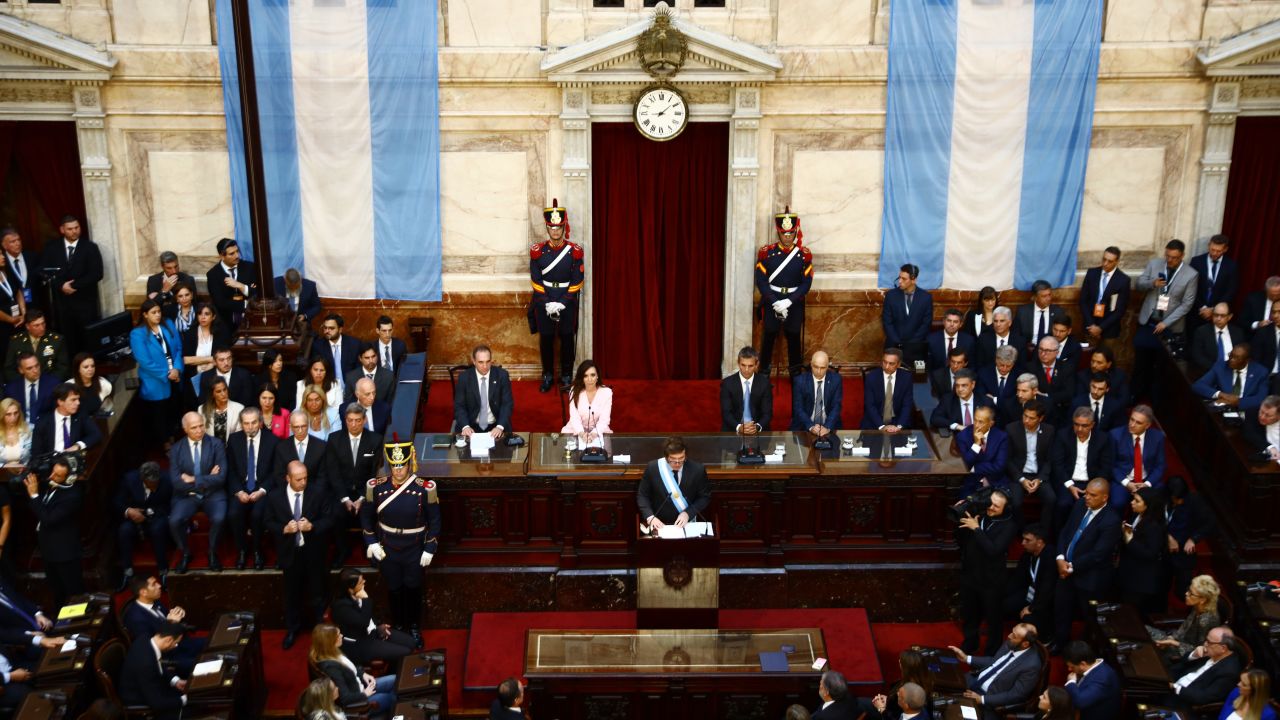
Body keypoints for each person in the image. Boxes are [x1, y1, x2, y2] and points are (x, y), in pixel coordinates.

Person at [361, 438, 441, 644]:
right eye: (394, 466)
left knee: (413, 589)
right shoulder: (376, 487)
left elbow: (435, 520)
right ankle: (397, 626)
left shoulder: (425, 488)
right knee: (394, 589)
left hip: (414, 548)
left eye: (402, 465)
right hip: (388, 547)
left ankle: (414, 627)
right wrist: (371, 541)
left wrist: (430, 547)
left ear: (409, 464)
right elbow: (366, 518)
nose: (398, 470)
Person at [268, 460, 333, 649]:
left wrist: (312, 526)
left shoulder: (318, 492)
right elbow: (267, 521)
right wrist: (283, 528)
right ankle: (292, 629)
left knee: (318, 593)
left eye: (305, 478)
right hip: (289, 553)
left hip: (313, 553)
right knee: (291, 594)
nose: (303, 482)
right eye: (298, 479)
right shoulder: (275, 497)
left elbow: (329, 519)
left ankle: (321, 632)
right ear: (288, 478)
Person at [1053, 478, 1121, 650]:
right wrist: (1060, 557)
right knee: (1062, 610)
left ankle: (1084, 651)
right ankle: (1060, 644)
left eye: (1093, 495)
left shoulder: (1111, 520)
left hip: (1090, 578)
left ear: (1104, 498)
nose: (1087, 497)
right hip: (1065, 570)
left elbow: (1099, 554)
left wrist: (1071, 567)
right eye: (1087, 493)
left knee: (1089, 617)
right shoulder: (1080, 506)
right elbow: (1065, 531)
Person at [529, 199, 585, 391]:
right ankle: (547, 375)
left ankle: (567, 375)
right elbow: (536, 280)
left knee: (567, 339)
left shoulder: (574, 252)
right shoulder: (538, 251)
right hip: (544, 300)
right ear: (547, 227)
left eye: (558, 227)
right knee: (546, 339)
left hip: (566, 301)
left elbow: (577, 280)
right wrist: (546, 302)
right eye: (552, 227)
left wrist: (561, 303)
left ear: (564, 227)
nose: (555, 231)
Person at [1134, 239, 1199, 399]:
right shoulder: (1154, 264)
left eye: (1174, 257)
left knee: (1161, 367)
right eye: (1168, 256)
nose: (1170, 260)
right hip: (1148, 322)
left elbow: (1187, 304)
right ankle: (1136, 395)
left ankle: (1156, 400)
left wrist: (1166, 323)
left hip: (1170, 327)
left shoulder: (1191, 274)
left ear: (1182, 256)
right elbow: (1139, 284)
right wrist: (1152, 283)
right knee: (1141, 363)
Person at [957, 488, 1016, 655]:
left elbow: (993, 550)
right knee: (969, 614)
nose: (991, 508)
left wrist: (976, 529)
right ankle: (970, 643)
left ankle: (991, 654)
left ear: (1006, 508)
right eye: (990, 503)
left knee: (993, 620)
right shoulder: (980, 514)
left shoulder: (1009, 525)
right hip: (970, 575)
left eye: (996, 506)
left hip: (992, 581)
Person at [167, 412, 228, 573]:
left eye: (201, 425)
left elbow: (221, 478)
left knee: (220, 517)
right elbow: (176, 482)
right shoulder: (176, 449)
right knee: (174, 520)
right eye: (194, 427)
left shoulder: (216, 444)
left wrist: (193, 479)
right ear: (185, 429)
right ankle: (185, 553)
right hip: (187, 496)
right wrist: (207, 479)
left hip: (214, 494)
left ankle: (212, 552)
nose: (199, 430)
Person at [757, 207, 813, 377]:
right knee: (769, 336)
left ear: (795, 232)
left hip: (794, 301)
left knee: (794, 336)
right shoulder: (767, 253)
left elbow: (806, 282)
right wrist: (775, 302)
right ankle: (764, 372)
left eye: (790, 234)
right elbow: (761, 280)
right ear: (778, 233)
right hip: (772, 299)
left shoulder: (804, 255)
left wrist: (789, 301)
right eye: (784, 234)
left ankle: (795, 372)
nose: (787, 237)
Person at [326, 403, 383, 568]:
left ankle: (370, 548)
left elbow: (375, 473)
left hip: (365, 491)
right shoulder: (334, 439)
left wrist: (362, 497)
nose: (354, 424)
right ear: (345, 420)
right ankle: (343, 550)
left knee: (369, 510)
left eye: (358, 420)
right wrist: (344, 498)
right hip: (341, 491)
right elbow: (333, 472)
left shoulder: (375, 440)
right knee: (336, 514)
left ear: (364, 420)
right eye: (350, 420)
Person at [946, 623, 1043, 720]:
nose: (1009, 636)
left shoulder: (1032, 665)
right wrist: (966, 658)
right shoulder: (1012, 642)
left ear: (1025, 644)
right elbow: (994, 661)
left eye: (1014, 635)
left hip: (990, 700)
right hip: (974, 680)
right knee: (942, 691)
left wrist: (982, 699)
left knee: (956, 715)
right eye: (1012, 632)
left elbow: (1017, 695)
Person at [23, 457, 83, 608]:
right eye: (52, 472)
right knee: (57, 593)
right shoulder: (51, 484)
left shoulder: (73, 496)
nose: (51, 477)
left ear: (69, 478)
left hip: (65, 554)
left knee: (73, 594)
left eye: (57, 475)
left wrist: (34, 496)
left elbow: (48, 519)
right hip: (49, 551)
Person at [40, 215, 103, 354]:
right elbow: (43, 271)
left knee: (87, 342)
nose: (74, 231)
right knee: (67, 343)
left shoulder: (90, 247)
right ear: (62, 230)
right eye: (70, 229)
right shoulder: (52, 248)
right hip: (63, 307)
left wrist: (74, 286)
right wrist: (61, 285)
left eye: (77, 228)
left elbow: (97, 273)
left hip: (85, 305)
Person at [227, 407, 278, 571]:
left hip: (262, 487)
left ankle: (257, 551)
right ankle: (242, 550)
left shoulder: (272, 440)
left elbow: (275, 472)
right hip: (241, 487)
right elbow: (230, 470)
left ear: (260, 422)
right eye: (246, 423)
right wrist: (238, 491)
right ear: (241, 424)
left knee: (257, 514)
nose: (250, 427)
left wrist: (262, 490)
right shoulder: (234, 440)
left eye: (254, 422)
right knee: (234, 513)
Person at [120, 575, 204, 672]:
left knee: (213, 643)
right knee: (207, 663)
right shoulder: (136, 619)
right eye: (154, 584)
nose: (159, 586)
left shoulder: (155, 602)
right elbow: (152, 647)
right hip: (171, 658)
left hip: (182, 643)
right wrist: (171, 622)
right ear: (143, 592)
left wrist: (177, 615)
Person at [332, 568, 415, 667]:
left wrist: (378, 626)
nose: (364, 582)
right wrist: (366, 599)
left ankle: (393, 668)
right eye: (360, 582)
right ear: (350, 588)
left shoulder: (357, 593)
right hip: (360, 643)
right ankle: (395, 675)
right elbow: (363, 622)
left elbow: (370, 617)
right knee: (405, 652)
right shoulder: (341, 607)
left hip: (372, 632)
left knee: (411, 642)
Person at [308, 624, 397, 714]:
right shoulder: (330, 668)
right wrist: (364, 694)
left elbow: (349, 667)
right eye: (338, 635)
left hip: (361, 685)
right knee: (394, 697)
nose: (342, 635)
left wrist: (362, 674)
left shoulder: (333, 651)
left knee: (397, 680)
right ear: (330, 642)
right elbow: (345, 698)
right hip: (359, 701)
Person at [1051, 409, 1116, 529]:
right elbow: (1057, 464)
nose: (1079, 429)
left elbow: (1106, 466)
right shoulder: (1063, 435)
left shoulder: (1103, 438)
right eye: (1076, 424)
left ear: (1092, 424)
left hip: (1092, 482)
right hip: (1068, 481)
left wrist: (1092, 486)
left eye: (1084, 425)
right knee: (1063, 505)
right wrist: (1070, 485)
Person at [115, 462, 172, 590]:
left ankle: (163, 571)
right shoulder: (129, 480)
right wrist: (129, 511)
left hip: (157, 516)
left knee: (158, 529)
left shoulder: (168, 479)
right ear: (142, 480)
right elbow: (117, 502)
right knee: (125, 530)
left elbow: (171, 504)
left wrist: (148, 513)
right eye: (150, 485)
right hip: (134, 518)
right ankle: (127, 572)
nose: (153, 488)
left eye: (155, 484)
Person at [119, 622, 190, 720]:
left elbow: (158, 665)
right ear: (169, 639)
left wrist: (175, 681)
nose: (175, 646)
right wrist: (185, 700)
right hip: (141, 702)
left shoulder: (145, 638)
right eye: (176, 643)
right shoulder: (146, 664)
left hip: (152, 688)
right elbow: (157, 703)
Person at [1161, 629, 1246, 712]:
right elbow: (1184, 662)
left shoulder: (1229, 672)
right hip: (1172, 679)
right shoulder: (1212, 652)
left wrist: (1175, 687)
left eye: (1209, 642)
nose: (1204, 644)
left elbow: (1204, 697)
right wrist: (1194, 654)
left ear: (1223, 648)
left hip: (1183, 700)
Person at [637, 436, 710, 530]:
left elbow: (704, 497)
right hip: (659, 524)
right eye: (673, 459)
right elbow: (642, 495)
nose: (677, 463)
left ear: (685, 455)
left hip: (687, 523)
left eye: (681, 458)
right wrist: (650, 517)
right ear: (666, 457)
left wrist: (688, 513)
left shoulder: (697, 470)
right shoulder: (653, 468)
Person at [1004, 399, 1057, 527]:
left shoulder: (1049, 431)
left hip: (1039, 475)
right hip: (1018, 474)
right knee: (1015, 503)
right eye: (1025, 416)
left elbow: (1050, 459)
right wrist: (1021, 479)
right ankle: (1024, 532)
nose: (1026, 421)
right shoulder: (1011, 429)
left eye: (1031, 418)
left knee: (1051, 499)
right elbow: (1008, 459)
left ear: (1041, 418)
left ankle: (1042, 533)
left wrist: (1040, 479)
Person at [1148, 574, 1222, 664]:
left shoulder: (1206, 621)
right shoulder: (1198, 606)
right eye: (1188, 590)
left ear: (1203, 599)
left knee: (1149, 650)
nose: (1186, 594)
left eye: (1191, 593)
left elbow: (1200, 650)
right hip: (1177, 641)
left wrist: (1173, 643)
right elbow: (1184, 627)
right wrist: (1171, 638)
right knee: (1144, 630)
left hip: (1183, 653)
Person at [1164, 477, 1218, 599]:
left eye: (1181, 499)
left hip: (1184, 547)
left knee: (1183, 588)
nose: (1179, 502)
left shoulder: (1195, 500)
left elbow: (1210, 523)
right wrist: (1168, 537)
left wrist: (1193, 539)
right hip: (1163, 545)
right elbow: (1155, 519)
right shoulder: (1162, 498)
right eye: (1176, 499)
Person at [1117, 486, 1168, 617]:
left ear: (1148, 505)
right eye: (1134, 499)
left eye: (1137, 501)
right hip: (1129, 573)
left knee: (1131, 615)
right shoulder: (1137, 515)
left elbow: (1150, 553)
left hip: (1140, 581)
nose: (1132, 502)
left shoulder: (1154, 527)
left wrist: (1130, 541)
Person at [1108, 405, 1166, 512]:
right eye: (1131, 419)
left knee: (1157, 502)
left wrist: (1147, 484)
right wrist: (1127, 483)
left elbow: (1160, 465)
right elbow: (1111, 464)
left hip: (1146, 479)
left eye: (1138, 423)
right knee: (1117, 503)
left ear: (1147, 425)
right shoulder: (1115, 435)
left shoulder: (1158, 437)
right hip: (1124, 479)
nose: (1132, 424)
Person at [1006, 523, 1056, 642]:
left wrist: (1032, 608)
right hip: (1030, 593)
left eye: (1027, 540)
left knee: (1029, 616)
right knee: (1006, 603)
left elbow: (1047, 590)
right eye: (1023, 539)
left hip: (1047, 601)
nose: (1023, 543)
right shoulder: (1027, 555)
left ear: (1039, 542)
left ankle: (1044, 639)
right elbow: (1018, 578)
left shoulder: (1050, 557)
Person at [453, 345, 514, 438]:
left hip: (496, 425)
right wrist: (465, 426)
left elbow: (507, 403)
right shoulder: (464, 378)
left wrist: (500, 426)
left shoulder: (502, 375)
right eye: (481, 362)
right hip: (471, 426)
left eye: (488, 361)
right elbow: (459, 405)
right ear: (474, 361)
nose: (485, 366)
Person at [882, 264, 933, 368]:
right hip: (894, 347)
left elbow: (926, 323)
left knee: (919, 376)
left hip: (918, 348)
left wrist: (911, 344)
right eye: (899, 277)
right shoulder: (891, 296)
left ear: (913, 280)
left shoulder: (926, 298)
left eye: (904, 279)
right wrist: (898, 343)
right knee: (893, 376)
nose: (900, 281)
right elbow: (887, 321)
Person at [1192, 344, 1270, 412]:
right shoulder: (1221, 366)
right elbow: (1198, 385)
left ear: (1247, 360)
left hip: (1248, 412)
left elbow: (1261, 398)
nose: (1231, 360)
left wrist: (1238, 402)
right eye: (1231, 355)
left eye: (1236, 358)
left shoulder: (1261, 372)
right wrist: (1221, 394)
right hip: (1222, 411)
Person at [31, 384, 102, 457]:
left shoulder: (80, 415)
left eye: (78, 399)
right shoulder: (43, 422)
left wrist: (77, 446)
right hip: (52, 463)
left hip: (74, 460)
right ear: (60, 402)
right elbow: (36, 454)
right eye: (73, 400)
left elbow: (96, 434)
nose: (78, 403)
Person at [1190, 234, 1239, 333]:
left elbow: (1230, 291)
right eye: (1212, 249)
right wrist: (1202, 308)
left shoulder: (1231, 266)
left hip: (1218, 316)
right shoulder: (1196, 261)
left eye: (1218, 251)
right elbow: (1191, 288)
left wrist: (1214, 309)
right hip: (1196, 313)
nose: (1214, 253)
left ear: (1225, 249)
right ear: (1209, 246)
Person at [1023, 336, 1075, 428]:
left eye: (1047, 351)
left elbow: (1069, 393)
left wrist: (1046, 396)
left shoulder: (1067, 368)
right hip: (1038, 413)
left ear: (1057, 352)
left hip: (1061, 413)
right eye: (1041, 349)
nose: (1043, 353)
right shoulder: (1030, 368)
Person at [1062, 641, 1122, 720]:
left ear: (1083, 664)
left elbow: (1080, 702)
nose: (1069, 669)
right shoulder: (1094, 665)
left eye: (1072, 667)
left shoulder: (1102, 679)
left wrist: (1071, 682)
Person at [957, 406, 1008, 496]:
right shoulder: (963, 436)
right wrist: (976, 445)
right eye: (975, 420)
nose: (976, 425)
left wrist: (974, 468)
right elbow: (965, 465)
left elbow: (999, 466)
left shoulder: (1001, 437)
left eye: (981, 422)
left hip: (995, 481)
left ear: (991, 423)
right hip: (972, 483)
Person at [720, 346, 772, 433]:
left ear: (757, 364)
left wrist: (757, 427)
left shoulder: (764, 384)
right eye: (743, 365)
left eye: (750, 366)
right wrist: (739, 427)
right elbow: (726, 413)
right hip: (733, 430)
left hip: (757, 431)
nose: (746, 370)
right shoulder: (727, 383)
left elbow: (767, 413)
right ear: (738, 363)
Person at [206, 237, 256, 327]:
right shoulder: (213, 275)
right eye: (232, 254)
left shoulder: (250, 268)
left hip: (251, 319)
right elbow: (220, 302)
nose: (237, 256)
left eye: (237, 251)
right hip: (225, 322)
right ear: (222, 256)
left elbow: (257, 293)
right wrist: (246, 303)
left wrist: (241, 286)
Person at [870, 651, 934, 720]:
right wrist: (888, 700)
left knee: (860, 704)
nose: (899, 661)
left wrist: (881, 709)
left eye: (900, 695)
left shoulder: (909, 693)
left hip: (887, 714)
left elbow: (894, 716)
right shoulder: (926, 683)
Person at [792, 350, 843, 436]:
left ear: (827, 367)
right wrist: (811, 426)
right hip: (805, 426)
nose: (818, 371)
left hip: (829, 425)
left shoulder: (836, 380)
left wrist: (827, 426)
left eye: (822, 368)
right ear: (811, 364)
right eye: (815, 367)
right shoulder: (800, 381)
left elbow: (836, 406)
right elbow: (798, 408)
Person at [931, 368, 993, 438]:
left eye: (964, 385)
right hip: (959, 439)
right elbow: (935, 418)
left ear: (973, 384)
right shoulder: (948, 400)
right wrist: (956, 426)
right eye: (957, 385)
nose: (960, 389)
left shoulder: (986, 401)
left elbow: (994, 424)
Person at [863, 348, 914, 432]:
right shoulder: (871, 377)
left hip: (897, 421)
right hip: (875, 422)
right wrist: (881, 426)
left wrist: (899, 426)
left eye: (891, 364)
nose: (886, 366)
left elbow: (907, 405)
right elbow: (870, 405)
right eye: (884, 362)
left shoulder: (906, 378)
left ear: (898, 364)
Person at [314, 313, 362, 401]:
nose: (327, 331)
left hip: (352, 392)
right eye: (325, 328)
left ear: (340, 329)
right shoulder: (318, 346)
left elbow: (359, 371)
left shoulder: (354, 344)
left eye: (331, 328)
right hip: (328, 392)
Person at [276, 410, 327, 490]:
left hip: (315, 494)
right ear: (290, 427)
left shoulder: (321, 446)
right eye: (296, 427)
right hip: (289, 493)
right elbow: (279, 476)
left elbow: (323, 477)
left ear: (308, 425)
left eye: (303, 426)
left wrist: (314, 495)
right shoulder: (282, 447)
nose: (300, 430)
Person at [563, 359, 613, 440]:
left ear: (597, 376)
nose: (589, 379)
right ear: (581, 378)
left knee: (604, 451)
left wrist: (594, 434)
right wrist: (582, 434)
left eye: (592, 375)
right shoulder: (574, 390)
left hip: (599, 430)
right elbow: (574, 418)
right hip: (576, 429)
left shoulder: (607, 392)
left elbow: (604, 420)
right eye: (585, 376)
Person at [1191, 302, 1245, 370]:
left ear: (1229, 317)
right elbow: (1197, 356)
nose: (1218, 318)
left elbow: (1241, 355)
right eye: (1216, 315)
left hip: (1232, 371)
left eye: (1222, 316)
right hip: (1209, 371)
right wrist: (1217, 369)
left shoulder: (1238, 332)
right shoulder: (1201, 331)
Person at [1015, 280, 1067, 348]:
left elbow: (1063, 335)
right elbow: (1016, 335)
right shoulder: (1023, 312)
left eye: (1049, 295)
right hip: (1028, 349)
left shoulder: (1058, 312)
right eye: (1044, 296)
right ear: (1035, 297)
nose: (1048, 298)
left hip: (1050, 349)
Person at [0, 227, 41, 309]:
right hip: (14, 308)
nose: (17, 243)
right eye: (13, 241)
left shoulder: (33, 257)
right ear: (4, 245)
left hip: (35, 305)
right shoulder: (2, 263)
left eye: (19, 240)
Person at [928, 308, 976, 374]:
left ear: (961, 324)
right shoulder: (931, 339)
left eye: (955, 322)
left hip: (960, 379)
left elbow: (972, 365)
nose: (951, 324)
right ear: (944, 321)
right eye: (949, 321)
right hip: (936, 380)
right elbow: (926, 365)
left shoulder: (969, 341)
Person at [199, 377, 244, 445]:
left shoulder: (239, 408)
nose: (223, 394)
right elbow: (202, 434)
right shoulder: (202, 409)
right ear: (212, 394)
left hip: (231, 449)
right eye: (218, 391)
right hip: (211, 449)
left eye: (224, 389)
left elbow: (238, 436)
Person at [66, 352, 112, 417]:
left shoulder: (103, 383)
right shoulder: (69, 386)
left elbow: (108, 405)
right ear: (78, 369)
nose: (90, 369)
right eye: (86, 367)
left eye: (92, 366)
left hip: (100, 422)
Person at [0, 248, 26, 363]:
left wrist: (23, 312)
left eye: (1, 254)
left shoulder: (6, 272)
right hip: (3, 326)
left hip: (18, 321)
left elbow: (18, 292)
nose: (3, 257)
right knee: (7, 356)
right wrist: (11, 320)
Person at [978, 345, 1020, 410]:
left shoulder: (1019, 376)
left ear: (1013, 364)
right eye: (1001, 365)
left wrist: (994, 400)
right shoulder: (984, 373)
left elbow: (1016, 401)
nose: (1004, 369)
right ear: (996, 360)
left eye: (1008, 366)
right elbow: (981, 397)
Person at [1250, 303, 1280, 376]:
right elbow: (1256, 360)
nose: (1275, 316)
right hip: (1268, 377)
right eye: (1273, 312)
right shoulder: (1263, 333)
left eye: (1279, 312)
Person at [0, 398, 31, 468]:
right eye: (8, 414)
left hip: (24, 473)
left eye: (15, 413)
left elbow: (34, 456)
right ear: (1, 415)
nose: (13, 418)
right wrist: (5, 466)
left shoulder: (29, 429)